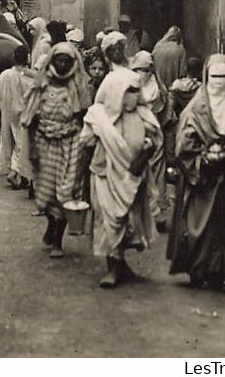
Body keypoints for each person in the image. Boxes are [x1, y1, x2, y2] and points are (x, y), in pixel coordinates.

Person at [167, 54, 225, 289]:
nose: (219, 82)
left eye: (224, 77)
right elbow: (182, 146)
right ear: (206, 77)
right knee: (199, 226)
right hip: (201, 180)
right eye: (214, 77)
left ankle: (219, 272)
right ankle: (198, 269)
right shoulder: (194, 110)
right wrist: (204, 158)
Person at [74, 68, 162, 288]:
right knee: (109, 220)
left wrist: (143, 156)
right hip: (105, 175)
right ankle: (112, 267)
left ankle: (120, 262)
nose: (133, 95)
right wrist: (75, 179)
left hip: (133, 177)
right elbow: (86, 148)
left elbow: (155, 142)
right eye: (128, 91)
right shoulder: (98, 116)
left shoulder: (144, 114)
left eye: (135, 90)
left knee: (130, 221)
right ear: (115, 92)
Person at [21, 42, 92, 258]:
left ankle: (58, 241)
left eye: (66, 61)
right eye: (58, 60)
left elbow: (84, 117)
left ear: (72, 63)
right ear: (52, 60)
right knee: (46, 192)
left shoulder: (78, 85)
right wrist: (32, 148)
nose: (61, 64)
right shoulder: (42, 84)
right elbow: (31, 118)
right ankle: (51, 226)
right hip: (45, 142)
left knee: (67, 190)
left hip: (70, 143)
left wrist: (84, 148)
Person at [130, 50, 173, 231]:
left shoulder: (153, 89)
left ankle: (156, 214)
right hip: (138, 135)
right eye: (141, 69)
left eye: (147, 70)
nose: (144, 73)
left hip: (150, 135)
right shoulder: (136, 86)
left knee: (154, 175)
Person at [0, 43, 33, 188]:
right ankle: (16, 172)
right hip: (24, 113)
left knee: (10, 141)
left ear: (13, 57)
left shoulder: (6, 74)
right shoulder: (29, 75)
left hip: (8, 112)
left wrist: (5, 97)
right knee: (22, 143)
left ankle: (17, 173)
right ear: (28, 58)